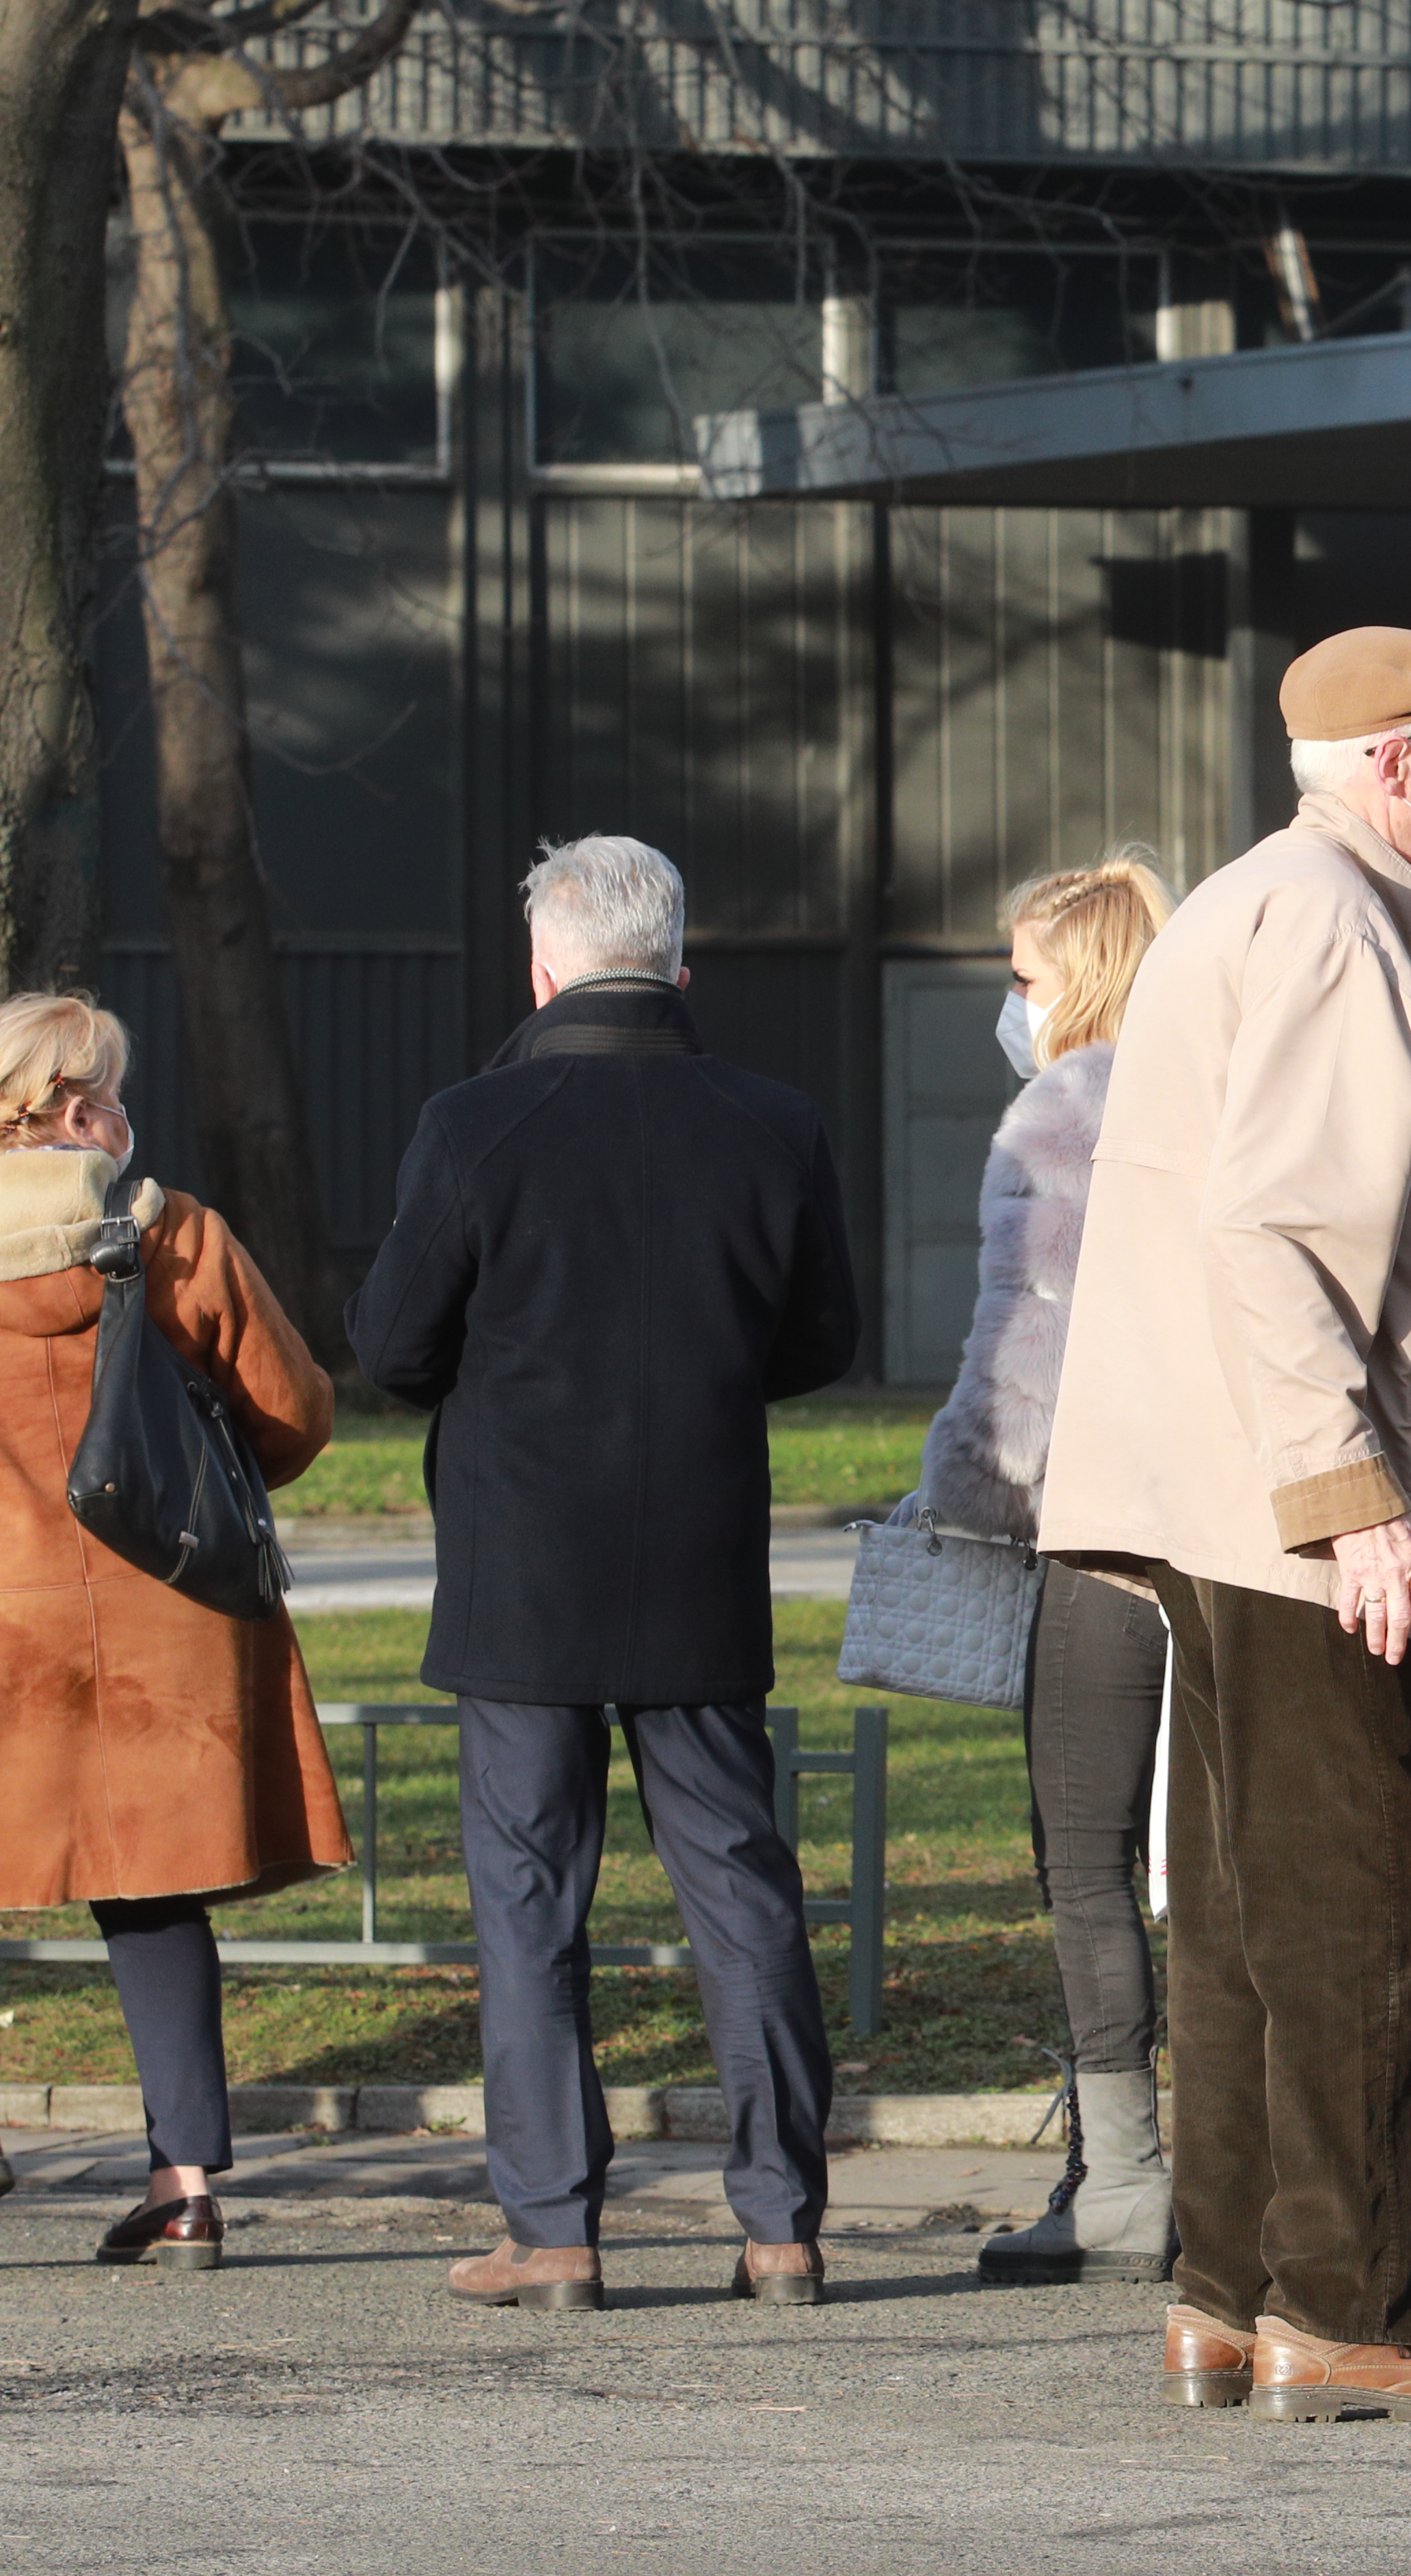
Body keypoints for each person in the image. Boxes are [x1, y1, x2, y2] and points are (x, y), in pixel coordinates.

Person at [1034, 626, 1411, 2423]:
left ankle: (1227, 2298)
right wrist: (1356, 1503)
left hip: (1202, 1497)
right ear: (1393, 760)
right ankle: (1351, 2315)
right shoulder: (1331, 921)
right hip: (1289, 1502)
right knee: (1364, 1912)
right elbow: (1281, 1232)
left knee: (1246, 1914)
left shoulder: (1246, 903)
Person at [349, 833, 861, 2315]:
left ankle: (555, 2229)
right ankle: (780, 2225)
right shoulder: (774, 1121)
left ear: (543, 965)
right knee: (742, 1888)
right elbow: (821, 1338)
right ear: (679, 959)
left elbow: (391, 1347)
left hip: (522, 1562)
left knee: (529, 1902)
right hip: (700, 1550)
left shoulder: (474, 1120)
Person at [0, 992, 345, 2269]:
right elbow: (297, 1416)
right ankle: (187, 2183)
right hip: (174, 1616)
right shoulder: (178, 1237)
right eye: (115, 1093)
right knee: (149, 1884)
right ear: (82, 1111)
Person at [913, 852, 1178, 2288]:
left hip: (1094, 1535)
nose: (1007, 1005)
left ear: (1079, 975)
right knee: (1202, 1861)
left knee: (1084, 1860)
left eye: (1021, 975)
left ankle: (1121, 2174)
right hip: (1218, 1531)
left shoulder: (1066, 1109)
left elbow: (1023, 1356)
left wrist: (951, 1502)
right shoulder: (1214, 1094)